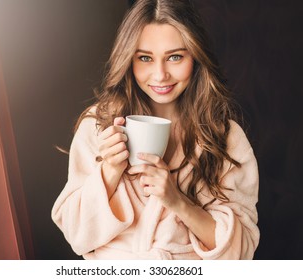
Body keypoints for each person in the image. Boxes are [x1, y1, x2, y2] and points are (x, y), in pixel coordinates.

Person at [51, 0, 259, 260]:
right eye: (145, 58)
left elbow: (241, 253)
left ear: (195, 56)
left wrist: (177, 201)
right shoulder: (98, 126)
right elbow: (76, 236)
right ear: (129, 60)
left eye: (175, 57)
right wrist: (110, 171)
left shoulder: (225, 137)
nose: (160, 75)